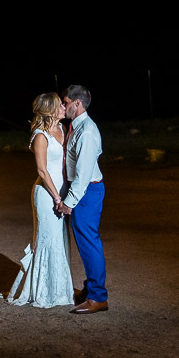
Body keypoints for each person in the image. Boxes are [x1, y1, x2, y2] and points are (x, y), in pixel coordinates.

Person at [5, 92, 75, 308]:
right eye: (60, 105)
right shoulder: (40, 136)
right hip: (46, 194)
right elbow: (42, 170)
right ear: (50, 110)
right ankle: (43, 290)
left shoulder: (62, 129)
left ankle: (59, 289)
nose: (64, 107)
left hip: (62, 192)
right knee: (47, 240)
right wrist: (56, 197)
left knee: (59, 240)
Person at [56, 84, 107, 313]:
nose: (63, 106)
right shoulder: (75, 127)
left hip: (88, 191)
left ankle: (98, 297)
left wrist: (69, 202)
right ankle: (90, 289)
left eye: (66, 102)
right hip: (83, 190)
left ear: (77, 103)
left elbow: (84, 174)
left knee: (89, 242)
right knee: (84, 243)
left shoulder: (86, 131)